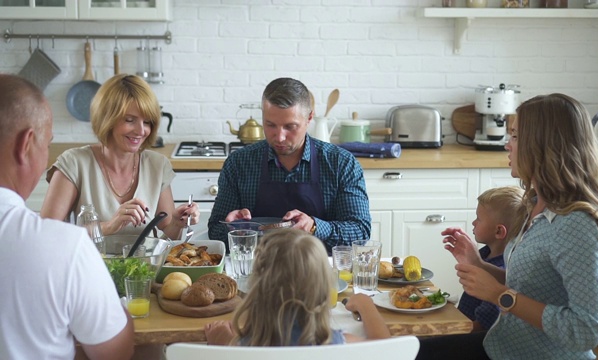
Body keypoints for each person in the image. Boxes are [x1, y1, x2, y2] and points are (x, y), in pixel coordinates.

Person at [440, 93, 598, 359]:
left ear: (543, 146)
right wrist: (480, 266)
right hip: (501, 347)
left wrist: (500, 296)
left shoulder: (576, 225)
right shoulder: (534, 204)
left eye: (515, 136)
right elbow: (535, 287)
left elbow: (586, 330)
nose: (508, 145)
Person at [0, 74, 134, 359]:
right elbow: (114, 352)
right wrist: (118, 305)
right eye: (46, 144)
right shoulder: (64, 246)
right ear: (26, 144)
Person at [208, 77, 370, 253]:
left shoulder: (341, 163)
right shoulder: (239, 163)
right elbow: (215, 232)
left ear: (309, 118)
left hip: (319, 272)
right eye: (270, 125)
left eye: (290, 126)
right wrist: (232, 229)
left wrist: (315, 226)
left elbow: (360, 232)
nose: (279, 137)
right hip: (258, 272)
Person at [40, 74, 199, 240]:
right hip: (88, 265)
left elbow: (167, 234)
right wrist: (109, 226)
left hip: (145, 266)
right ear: (106, 119)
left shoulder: (157, 165)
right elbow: (47, 232)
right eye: (130, 120)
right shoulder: (74, 163)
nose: (140, 131)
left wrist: (177, 222)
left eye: (147, 122)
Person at [204, 228, 390, 345]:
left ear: (257, 288)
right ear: (324, 287)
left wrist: (221, 343)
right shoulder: (334, 343)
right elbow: (383, 347)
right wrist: (366, 305)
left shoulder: (242, 347)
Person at [417, 186, 526, 360]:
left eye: (478, 219)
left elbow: (483, 325)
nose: (474, 223)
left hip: (473, 341)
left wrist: (439, 331)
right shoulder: (484, 255)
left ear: (499, 231)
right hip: (462, 327)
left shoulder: (503, 269)